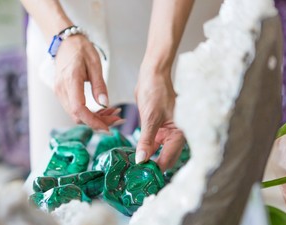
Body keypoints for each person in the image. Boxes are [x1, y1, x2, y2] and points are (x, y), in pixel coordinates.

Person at [20, 0, 220, 171]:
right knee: (47, 192)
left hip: (174, 36)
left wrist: (158, 67)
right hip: (57, 36)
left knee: (196, 179)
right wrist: (61, 34)